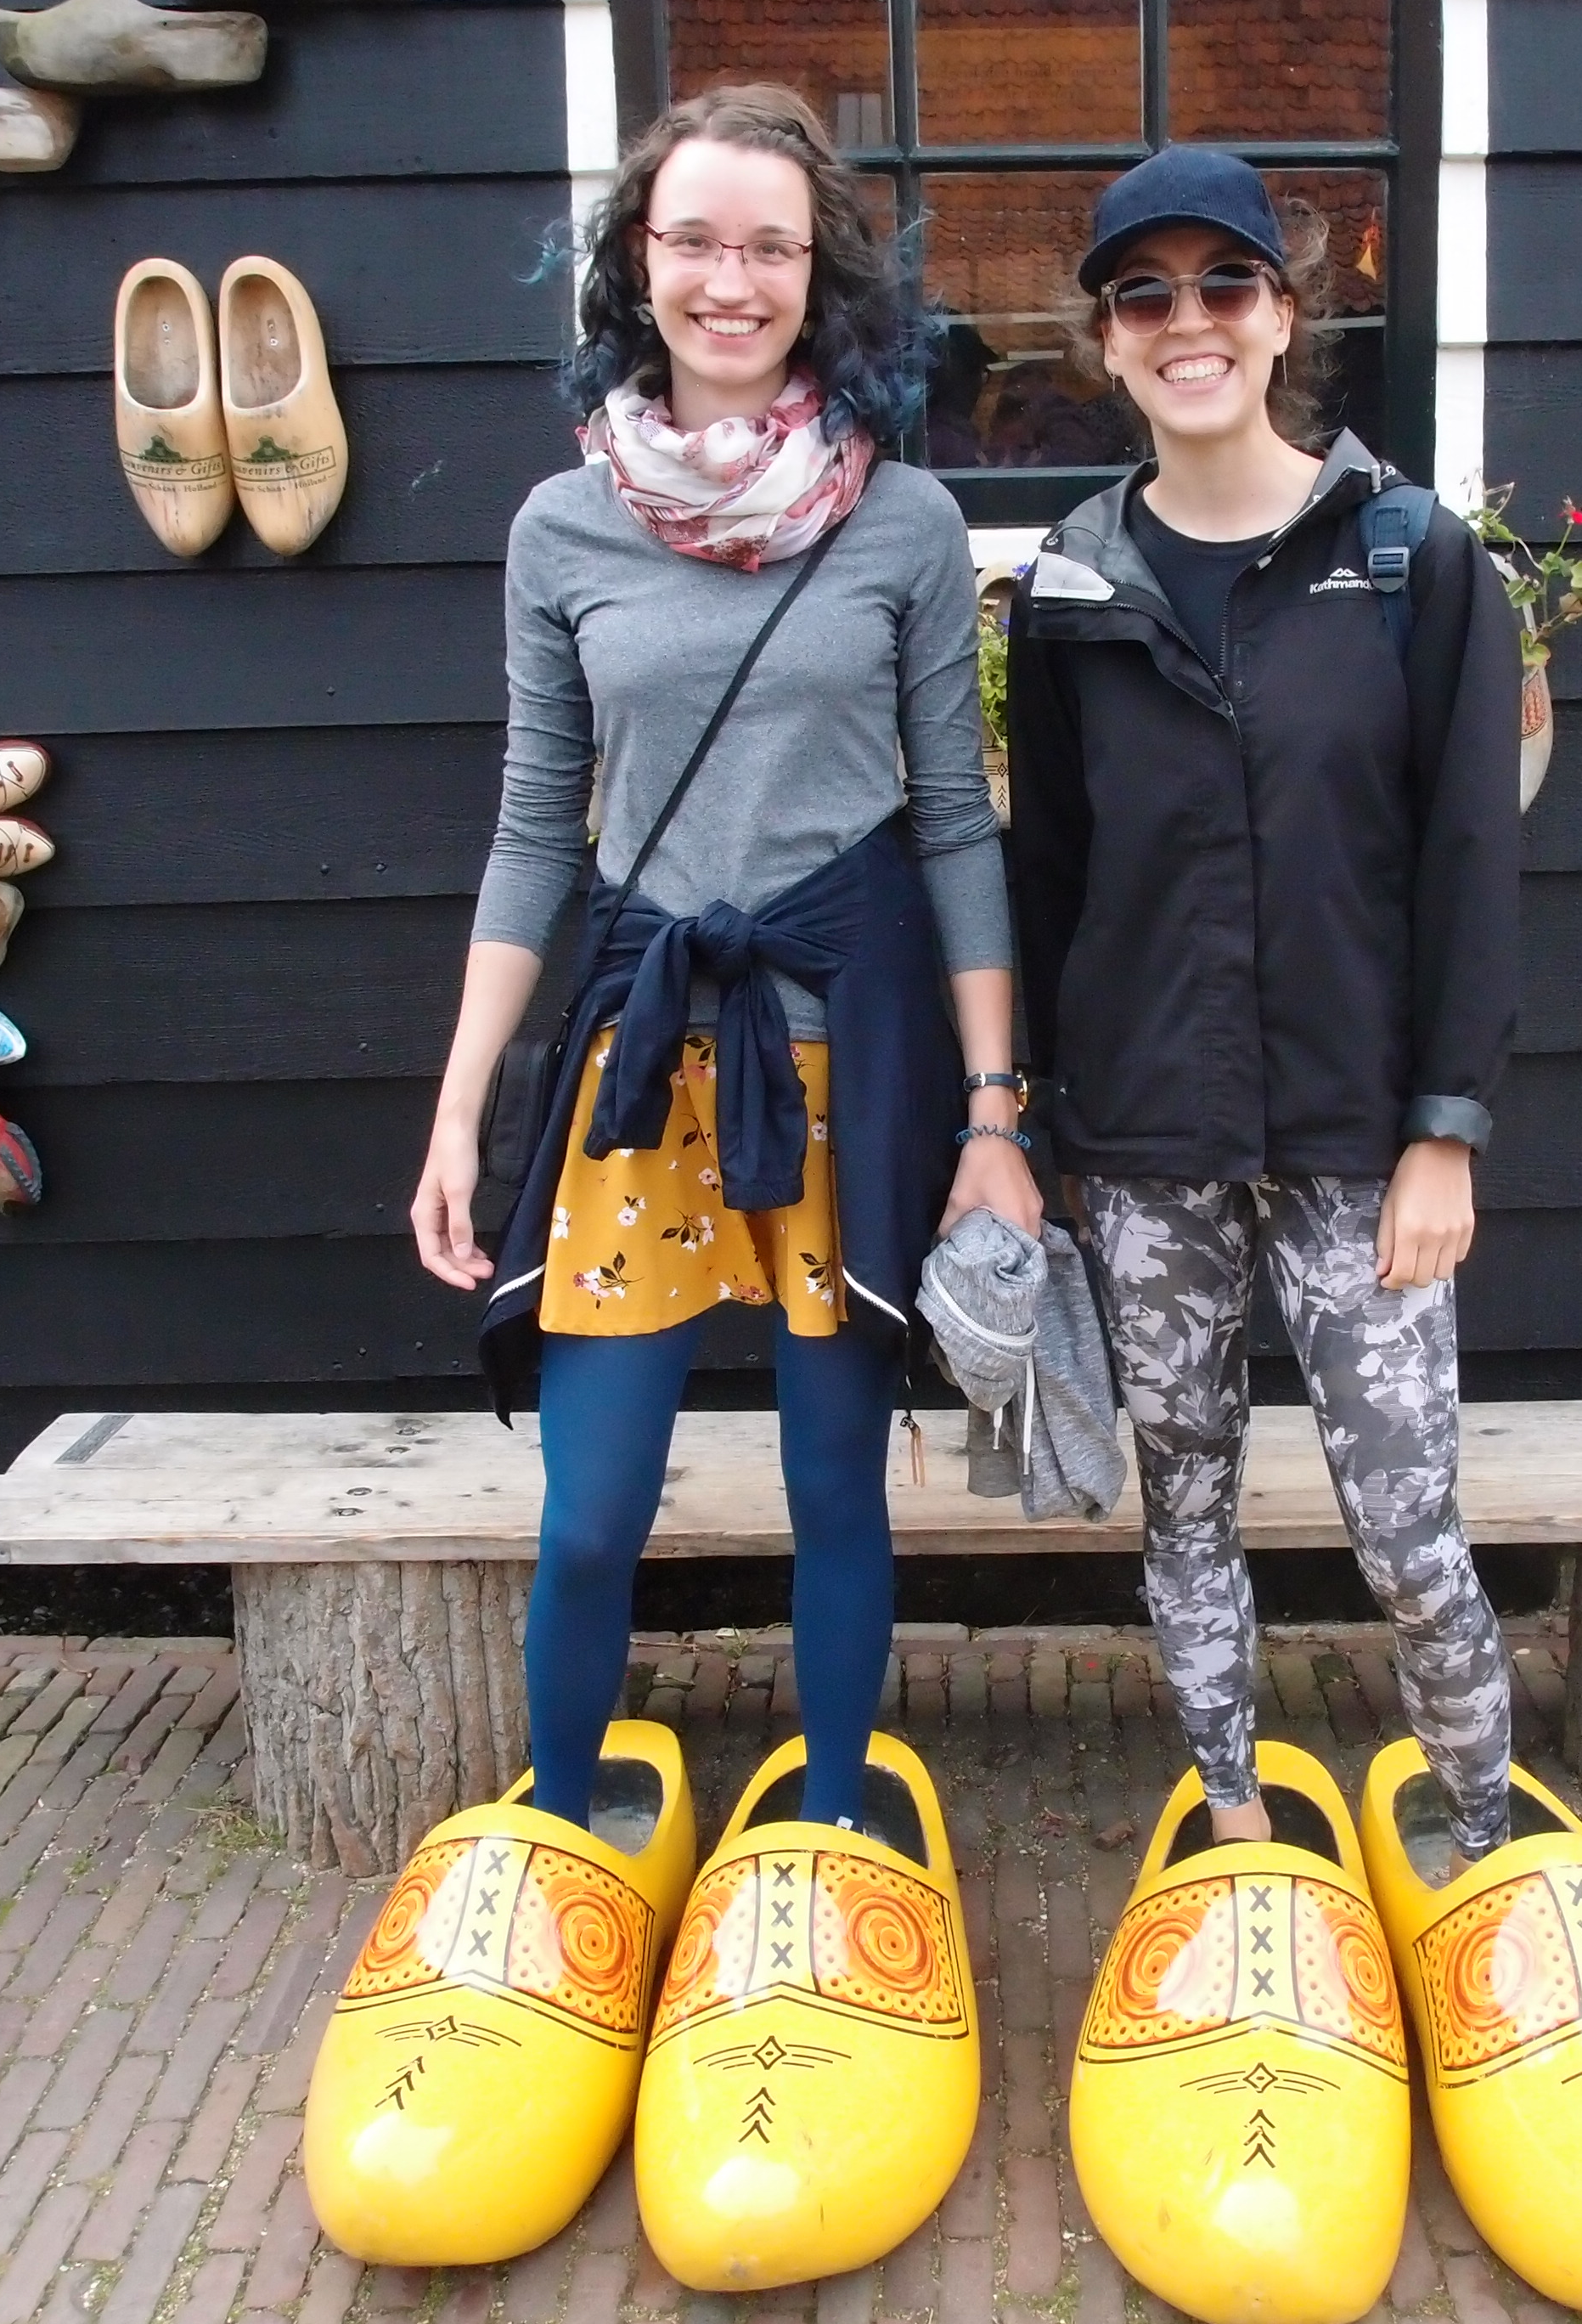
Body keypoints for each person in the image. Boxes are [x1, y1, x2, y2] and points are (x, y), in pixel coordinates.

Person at [411, 82, 1044, 1837]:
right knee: (591, 1508)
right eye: (695, 238)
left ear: (816, 273)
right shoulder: (560, 532)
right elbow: (540, 827)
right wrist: (462, 1111)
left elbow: (952, 818)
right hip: (641, 1060)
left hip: (851, 1055)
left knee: (837, 1482)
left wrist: (996, 1108)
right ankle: (560, 1839)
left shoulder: (903, 524)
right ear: (639, 256)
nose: (731, 280)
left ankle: (837, 1823)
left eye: (770, 245)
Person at [1004, 149, 1528, 1863]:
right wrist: (1030, 1119)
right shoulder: (1073, 590)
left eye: (1222, 285)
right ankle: (1232, 1814)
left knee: (1406, 1524)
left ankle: (1482, 1823)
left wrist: (1444, 1127)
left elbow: (1466, 857)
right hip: (1149, 1139)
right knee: (1191, 1501)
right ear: (1107, 340)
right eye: (1143, 295)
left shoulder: (1412, 559)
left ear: (1284, 314)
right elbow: (1051, 876)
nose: (1187, 321)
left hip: (1358, 1139)